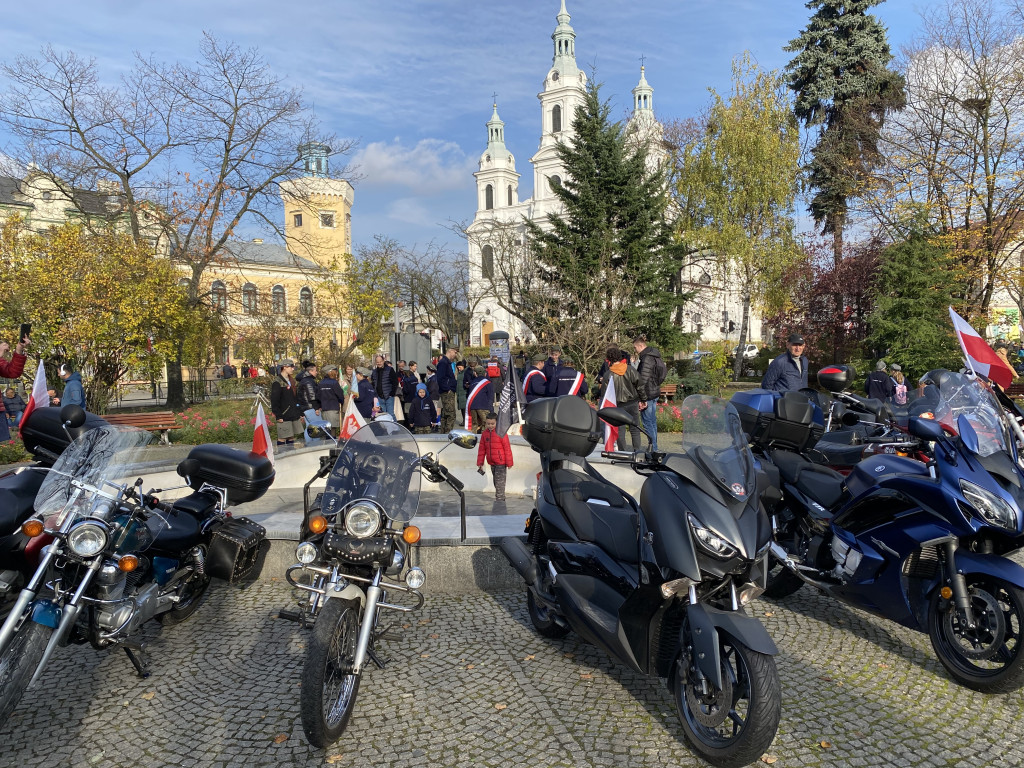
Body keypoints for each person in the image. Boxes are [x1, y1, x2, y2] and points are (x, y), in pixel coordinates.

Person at [603, 347, 642, 451]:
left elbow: (604, 394)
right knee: (635, 430)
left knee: (620, 431)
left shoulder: (608, 374)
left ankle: (623, 454)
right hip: (632, 402)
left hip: (618, 405)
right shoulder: (630, 369)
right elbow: (640, 385)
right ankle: (637, 452)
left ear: (608, 359)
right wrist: (643, 399)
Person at [633, 334, 665, 452]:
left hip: (647, 394)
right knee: (652, 422)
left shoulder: (646, 358)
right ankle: (654, 446)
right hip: (654, 392)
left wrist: (642, 399)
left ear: (641, 346)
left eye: (635, 348)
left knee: (647, 423)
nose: (635, 351)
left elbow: (642, 380)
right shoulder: (655, 356)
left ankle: (653, 448)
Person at [477, 412, 513, 502]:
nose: (490, 426)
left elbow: (507, 448)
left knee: (500, 482)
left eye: (492, 424)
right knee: (496, 481)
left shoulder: (501, 433)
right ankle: (500, 497)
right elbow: (482, 449)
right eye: (488, 424)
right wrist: (480, 462)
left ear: (497, 423)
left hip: (501, 462)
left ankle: (500, 499)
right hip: (492, 462)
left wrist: (509, 462)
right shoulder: (484, 434)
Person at [270, 359, 302, 447]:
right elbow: (274, 399)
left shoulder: (291, 380)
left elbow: (295, 398)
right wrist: (278, 414)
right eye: (291, 367)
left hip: (293, 413)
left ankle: (290, 455)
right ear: (284, 367)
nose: (293, 369)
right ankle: (281, 455)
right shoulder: (277, 382)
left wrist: (299, 411)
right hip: (284, 414)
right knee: (283, 437)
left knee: (291, 437)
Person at [437, 346, 459, 433]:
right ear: (450, 351)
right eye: (455, 352)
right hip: (447, 392)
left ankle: (444, 433)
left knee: (446, 414)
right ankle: (448, 433)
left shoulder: (447, 362)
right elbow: (440, 378)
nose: (455, 354)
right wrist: (447, 389)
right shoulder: (443, 363)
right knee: (451, 414)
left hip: (448, 390)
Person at [466, 366, 495, 432]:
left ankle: (473, 439)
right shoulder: (488, 383)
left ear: (475, 374)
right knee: (486, 425)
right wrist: (491, 411)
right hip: (483, 406)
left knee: (474, 425)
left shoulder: (472, 383)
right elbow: (490, 397)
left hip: (472, 406)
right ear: (485, 374)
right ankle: (484, 440)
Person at [317, 366, 345, 430]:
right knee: (332, 428)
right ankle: (332, 439)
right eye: (335, 372)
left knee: (327, 428)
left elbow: (318, 396)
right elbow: (340, 395)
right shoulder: (334, 382)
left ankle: (328, 439)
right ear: (332, 372)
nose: (336, 373)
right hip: (333, 408)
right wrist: (341, 402)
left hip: (324, 408)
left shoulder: (321, 383)